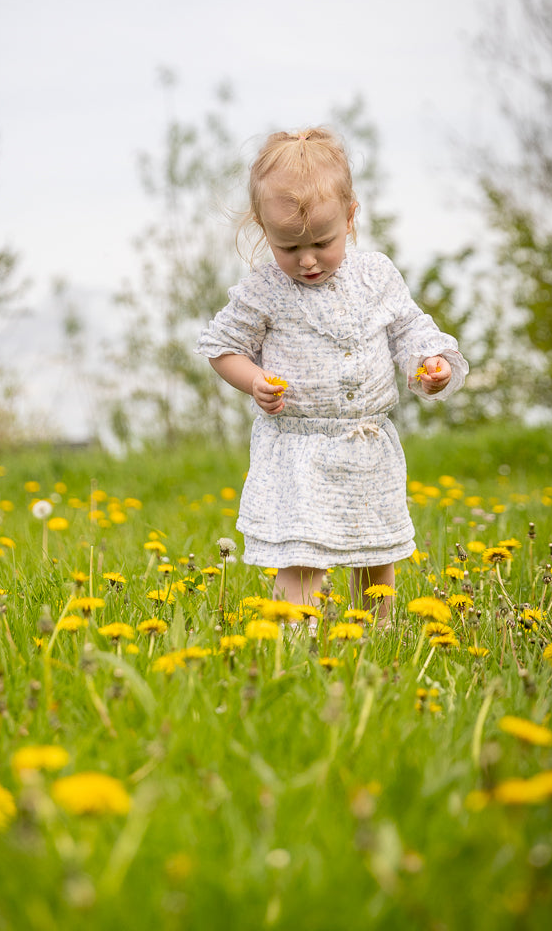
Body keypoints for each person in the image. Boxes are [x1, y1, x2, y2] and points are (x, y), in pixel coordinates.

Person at [195, 127, 468, 621]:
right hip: (299, 448)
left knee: (373, 550)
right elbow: (222, 347)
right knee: (303, 552)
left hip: (365, 443)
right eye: (287, 246)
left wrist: (431, 364)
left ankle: (377, 635)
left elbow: (408, 329)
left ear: (350, 217)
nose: (307, 260)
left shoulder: (376, 276)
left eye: (323, 241)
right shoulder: (265, 288)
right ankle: (292, 642)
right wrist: (252, 379)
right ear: (263, 229)